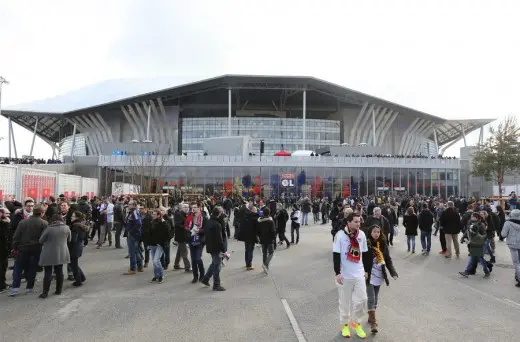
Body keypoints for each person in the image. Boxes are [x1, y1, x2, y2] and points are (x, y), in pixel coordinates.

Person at [333, 213, 368, 339]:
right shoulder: (340, 235)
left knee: (362, 299)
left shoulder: (362, 235)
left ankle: (356, 322)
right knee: (344, 302)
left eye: (359, 221)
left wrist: (366, 270)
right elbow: (336, 255)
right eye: (355, 221)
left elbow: (365, 253)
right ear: (348, 222)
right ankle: (345, 325)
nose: (358, 224)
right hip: (345, 274)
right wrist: (337, 273)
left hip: (359, 272)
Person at [362, 224, 398, 334]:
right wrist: (363, 271)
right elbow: (359, 259)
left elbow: (388, 259)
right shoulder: (365, 244)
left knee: (375, 298)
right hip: (368, 276)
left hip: (379, 275)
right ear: (370, 232)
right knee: (371, 298)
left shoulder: (383, 243)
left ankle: (370, 316)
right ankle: (373, 323)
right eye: (374, 232)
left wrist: (393, 272)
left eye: (378, 232)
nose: (376, 234)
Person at [10, 204, 48, 297]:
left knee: (18, 269)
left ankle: (15, 289)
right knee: (32, 269)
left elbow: (16, 236)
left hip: (22, 248)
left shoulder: (23, 222)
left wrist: (14, 247)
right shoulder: (44, 223)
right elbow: (44, 238)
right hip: (36, 249)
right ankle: (29, 288)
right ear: (42, 213)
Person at [38, 214, 71, 298]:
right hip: (62, 252)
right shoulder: (66, 227)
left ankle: (45, 293)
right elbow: (69, 239)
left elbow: (41, 240)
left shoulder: (49, 229)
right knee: (59, 271)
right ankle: (58, 290)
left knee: (48, 272)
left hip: (48, 253)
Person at [200, 207, 226, 291]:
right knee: (217, 266)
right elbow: (219, 239)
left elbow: (203, 232)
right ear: (218, 214)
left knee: (214, 263)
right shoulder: (217, 224)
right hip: (216, 247)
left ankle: (205, 279)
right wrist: (224, 250)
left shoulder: (208, 222)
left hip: (210, 246)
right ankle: (216, 284)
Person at [148, 209, 170, 283]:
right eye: (152, 214)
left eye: (154, 214)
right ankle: (156, 275)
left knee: (156, 260)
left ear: (158, 215)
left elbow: (168, 234)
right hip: (152, 244)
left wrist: (163, 243)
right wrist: (148, 244)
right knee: (154, 262)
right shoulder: (152, 222)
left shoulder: (163, 223)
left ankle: (161, 275)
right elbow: (150, 234)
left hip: (160, 245)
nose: (153, 215)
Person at [501, 209, 520, 287]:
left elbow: (503, 234)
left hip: (512, 244)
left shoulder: (508, 223)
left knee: (516, 262)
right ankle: (517, 275)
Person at [123, 200, 144, 275]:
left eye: (130, 204)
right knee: (136, 251)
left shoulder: (134, 212)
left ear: (134, 205)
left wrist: (131, 232)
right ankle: (140, 266)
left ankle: (133, 269)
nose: (128, 205)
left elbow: (138, 223)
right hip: (134, 235)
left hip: (133, 235)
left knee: (132, 252)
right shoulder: (132, 212)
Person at [68, 211, 88, 287]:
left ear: (77, 217)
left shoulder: (75, 226)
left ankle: (78, 281)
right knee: (74, 264)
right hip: (79, 246)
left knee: (73, 265)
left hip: (74, 247)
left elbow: (73, 239)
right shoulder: (82, 225)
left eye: (73, 216)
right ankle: (81, 277)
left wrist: (68, 243)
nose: (71, 217)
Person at [189, 202, 206, 283]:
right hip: (191, 240)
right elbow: (186, 227)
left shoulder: (203, 217)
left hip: (199, 240)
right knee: (193, 259)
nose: (194, 209)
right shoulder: (189, 217)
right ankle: (195, 276)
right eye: (192, 207)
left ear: (199, 208)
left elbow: (206, 229)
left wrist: (198, 231)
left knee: (198, 258)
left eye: (195, 207)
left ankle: (202, 274)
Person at [257, 207, 276, 274]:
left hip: (262, 239)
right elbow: (273, 231)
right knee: (271, 252)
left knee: (264, 253)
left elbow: (258, 231)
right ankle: (265, 264)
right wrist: (273, 239)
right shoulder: (270, 221)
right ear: (269, 213)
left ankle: (265, 267)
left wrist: (259, 237)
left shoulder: (259, 221)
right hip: (269, 240)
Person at [0, 208, 10, 293]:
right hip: (2, 250)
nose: (8, 216)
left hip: (3, 250)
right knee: (2, 267)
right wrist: (7, 224)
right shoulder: (4, 224)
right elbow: (5, 237)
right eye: (6, 214)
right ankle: (2, 285)